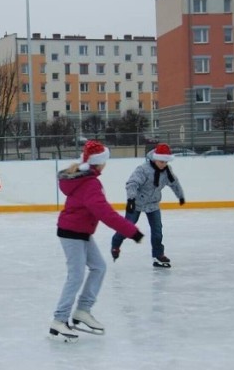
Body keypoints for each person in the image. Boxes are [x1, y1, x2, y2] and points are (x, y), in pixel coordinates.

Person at [50, 140, 144, 343]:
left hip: (80, 231)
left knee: (99, 267)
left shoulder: (87, 179)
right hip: (71, 232)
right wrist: (132, 231)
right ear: (99, 162)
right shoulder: (90, 183)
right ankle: (59, 319)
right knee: (75, 275)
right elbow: (105, 213)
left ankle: (83, 310)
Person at [111, 143, 185, 268]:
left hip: (153, 204)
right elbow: (132, 183)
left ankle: (158, 255)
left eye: (165, 162)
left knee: (157, 231)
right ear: (155, 158)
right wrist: (131, 200)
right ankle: (116, 242)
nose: (163, 164)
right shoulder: (143, 169)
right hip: (136, 203)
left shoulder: (167, 171)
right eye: (161, 161)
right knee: (127, 227)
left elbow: (174, 183)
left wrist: (180, 196)